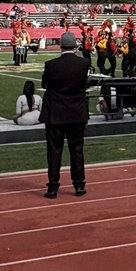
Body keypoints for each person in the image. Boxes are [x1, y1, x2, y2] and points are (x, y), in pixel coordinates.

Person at [40, 31, 91, 199]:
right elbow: (83, 85)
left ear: (60, 45)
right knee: (77, 149)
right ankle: (79, 185)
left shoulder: (51, 64)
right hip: (76, 112)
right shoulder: (83, 63)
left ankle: (53, 187)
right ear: (75, 46)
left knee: (54, 151)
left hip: (55, 113)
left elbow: (45, 84)